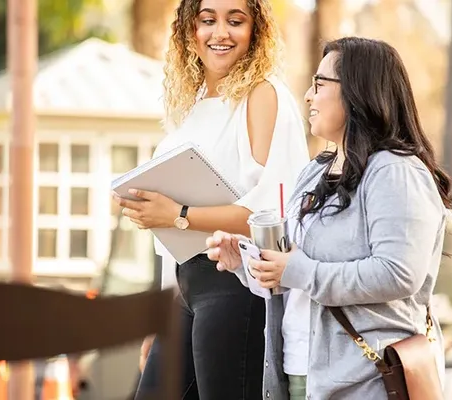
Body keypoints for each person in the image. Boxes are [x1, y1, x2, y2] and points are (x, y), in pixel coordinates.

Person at [206, 37, 452, 400]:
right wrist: (246, 264)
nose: (308, 96)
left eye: (320, 84)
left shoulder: (395, 171)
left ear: (358, 91)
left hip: (365, 380)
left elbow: (398, 272)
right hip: (300, 370)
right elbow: (294, 272)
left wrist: (296, 271)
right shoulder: (314, 172)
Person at [114, 0, 310, 399]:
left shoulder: (263, 95)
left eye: (235, 21)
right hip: (187, 290)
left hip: (236, 285)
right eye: (208, 21)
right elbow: (172, 239)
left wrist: (179, 215)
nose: (220, 33)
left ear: (256, 31)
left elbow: (271, 214)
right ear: (190, 31)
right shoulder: (191, 106)